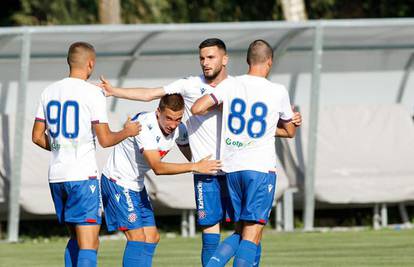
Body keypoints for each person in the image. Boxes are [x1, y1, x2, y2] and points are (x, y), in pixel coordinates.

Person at [100, 38, 301, 266]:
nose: (205, 63)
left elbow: (266, 125)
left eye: (211, 57)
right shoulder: (190, 85)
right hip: (208, 171)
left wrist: (291, 119)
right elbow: (151, 94)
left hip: (231, 167)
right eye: (202, 58)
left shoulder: (235, 87)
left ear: (225, 59)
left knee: (248, 230)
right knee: (221, 233)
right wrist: (114, 91)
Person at [31, 42, 141, 267]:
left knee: (76, 239)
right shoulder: (92, 93)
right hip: (82, 177)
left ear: (69, 62)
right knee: (90, 244)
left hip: (57, 176)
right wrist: (127, 131)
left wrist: (62, 147)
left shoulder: (48, 91)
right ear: (90, 64)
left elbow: (36, 136)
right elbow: (105, 139)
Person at [191, 39, 297, 267]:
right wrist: (289, 122)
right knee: (252, 234)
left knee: (241, 231)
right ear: (269, 61)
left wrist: (224, 107)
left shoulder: (230, 85)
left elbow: (197, 108)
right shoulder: (277, 90)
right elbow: (289, 131)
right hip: (259, 169)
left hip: (232, 169)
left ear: (248, 61)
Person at [101, 93, 221, 267]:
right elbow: (158, 167)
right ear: (158, 112)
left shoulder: (179, 129)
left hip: (136, 185)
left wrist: (206, 164)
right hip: (117, 182)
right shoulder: (145, 127)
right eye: (169, 119)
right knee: (137, 238)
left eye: (178, 119)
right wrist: (196, 166)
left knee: (151, 237)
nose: (173, 125)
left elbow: (191, 155)